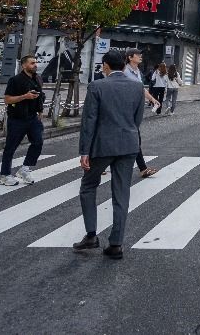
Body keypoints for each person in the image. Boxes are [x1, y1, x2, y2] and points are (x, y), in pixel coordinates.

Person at [74, 51, 145, 260]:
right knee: (121, 193)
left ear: (105, 65)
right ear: (124, 65)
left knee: (88, 186)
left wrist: (84, 151)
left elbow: (89, 120)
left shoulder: (97, 86)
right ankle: (116, 243)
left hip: (102, 146)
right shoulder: (137, 86)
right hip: (129, 144)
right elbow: (137, 119)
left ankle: (91, 234)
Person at [0, 55, 45, 186]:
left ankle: (25, 169)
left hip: (33, 117)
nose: (35, 65)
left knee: (38, 142)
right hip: (17, 118)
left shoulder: (38, 78)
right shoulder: (15, 80)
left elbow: (40, 96)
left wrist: (40, 111)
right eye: (32, 63)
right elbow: (7, 99)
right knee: (10, 147)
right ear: (24, 65)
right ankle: (5, 175)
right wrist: (25, 96)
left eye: (35, 63)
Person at [122, 49, 158, 177]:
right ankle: (143, 168)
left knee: (128, 138)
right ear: (130, 57)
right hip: (125, 109)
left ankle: (99, 163)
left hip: (134, 109)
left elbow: (141, 89)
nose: (140, 57)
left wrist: (153, 99)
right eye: (138, 55)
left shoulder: (137, 72)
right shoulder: (125, 72)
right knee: (135, 138)